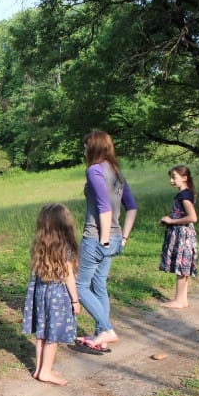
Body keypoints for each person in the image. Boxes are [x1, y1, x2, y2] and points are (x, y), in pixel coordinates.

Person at [76, 130, 138, 352]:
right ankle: (101, 333)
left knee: (79, 286)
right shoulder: (116, 172)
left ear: (94, 147)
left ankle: (106, 329)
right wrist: (124, 237)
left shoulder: (94, 170)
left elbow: (104, 206)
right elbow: (132, 207)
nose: (84, 150)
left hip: (96, 238)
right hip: (115, 238)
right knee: (98, 284)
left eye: (85, 146)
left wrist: (102, 239)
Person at [22, 203, 81, 386]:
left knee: (42, 333)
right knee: (52, 335)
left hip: (40, 292)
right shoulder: (66, 247)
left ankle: (39, 369)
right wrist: (75, 300)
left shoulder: (39, 245)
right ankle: (46, 372)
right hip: (58, 294)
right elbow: (68, 276)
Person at [159, 165, 199, 309]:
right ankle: (182, 300)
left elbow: (193, 217)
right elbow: (182, 214)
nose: (171, 180)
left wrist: (172, 221)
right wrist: (168, 220)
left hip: (183, 235)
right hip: (182, 233)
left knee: (182, 266)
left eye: (174, 177)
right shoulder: (185, 193)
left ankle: (179, 300)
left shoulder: (184, 195)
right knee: (183, 266)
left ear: (184, 178)